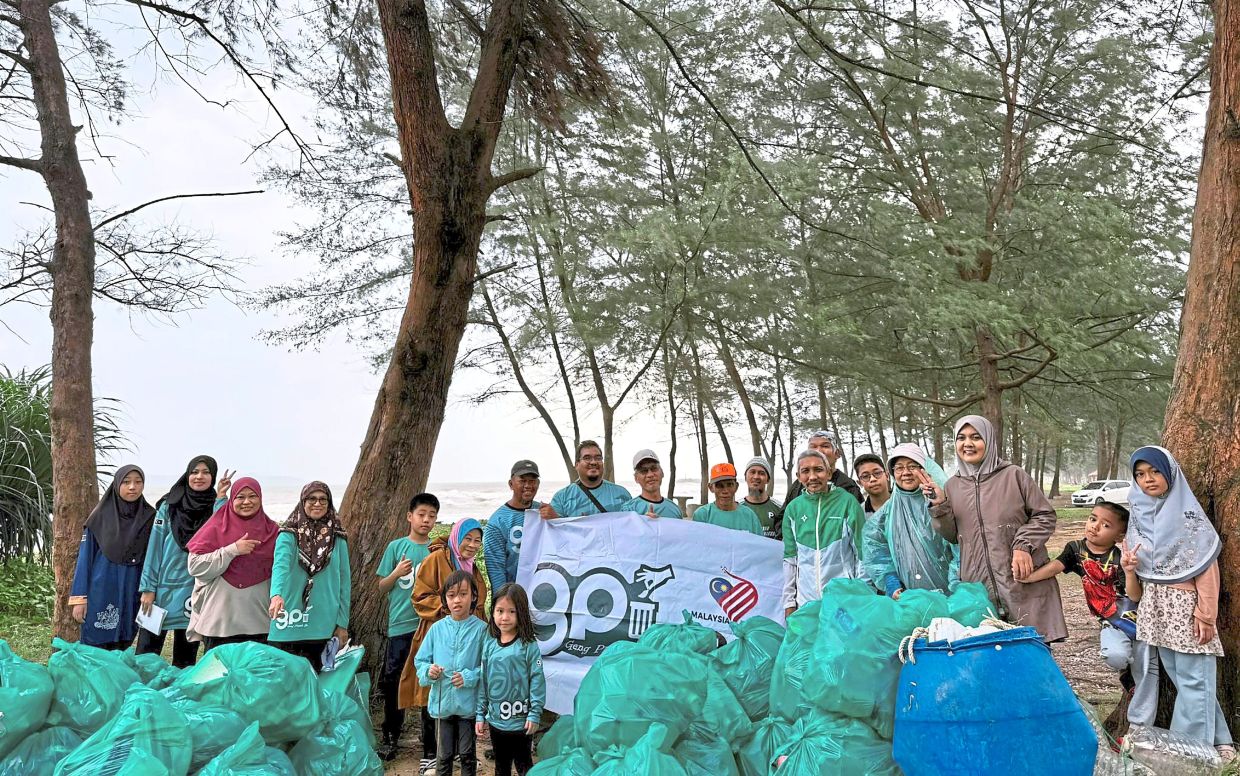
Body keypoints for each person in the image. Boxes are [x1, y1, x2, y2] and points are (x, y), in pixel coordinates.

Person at [1124, 446, 1234, 760]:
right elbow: (1135, 592)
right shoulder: (1139, 518)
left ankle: (1190, 751)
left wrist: (1206, 613)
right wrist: (1130, 568)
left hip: (1187, 609)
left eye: (1155, 471)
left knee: (1195, 678)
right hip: (1156, 610)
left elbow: (1206, 567)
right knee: (1186, 681)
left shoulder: (1188, 517)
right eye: (1140, 474)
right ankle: (1220, 741)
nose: (1148, 480)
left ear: (1170, 473)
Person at [925, 415, 1067, 641]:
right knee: (991, 653)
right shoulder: (953, 485)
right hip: (979, 584)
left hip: (1021, 579)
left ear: (989, 441)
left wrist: (1023, 544)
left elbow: (1045, 515)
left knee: (1032, 650)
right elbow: (953, 536)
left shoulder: (1013, 475)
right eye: (961, 438)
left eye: (975, 437)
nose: (967, 443)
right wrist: (940, 505)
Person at [399, 517, 489, 773]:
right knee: (434, 697)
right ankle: (431, 754)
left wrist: (469, 616)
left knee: (459, 703)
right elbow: (419, 596)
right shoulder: (436, 559)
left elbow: (479, 599)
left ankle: (461, 756)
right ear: (456, 537)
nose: (471, 545)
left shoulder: (472, 568)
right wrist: (448, 611)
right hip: (437, 628)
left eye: (477, 541)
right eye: (467, 539)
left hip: (468, 631)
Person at [1019, 501, 1140, 691]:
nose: (1095, 526)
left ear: (1120, 535)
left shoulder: (1119, 558)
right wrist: (1029, 578)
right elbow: (1056, 566)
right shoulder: (1076, 549)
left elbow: (1135, 595)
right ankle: (1125, 672)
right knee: (1116, 656)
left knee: (1148, 666)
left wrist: (1130, 571)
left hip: (1136, 620)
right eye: (1093, 519)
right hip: (1111, 622)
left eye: (1106, 525)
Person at [137, 456, 230, 667]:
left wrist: (222, 496)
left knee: (185, 658)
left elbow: (223, 529)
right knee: (144, 655)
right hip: (161, 590)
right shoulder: (169, 506)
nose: (199, 476)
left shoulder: (214, 507)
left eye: (206, 472)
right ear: (187, 475)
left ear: (213, 477)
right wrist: (148, 587)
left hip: (194, 592)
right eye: (194, 472)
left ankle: (179, 698)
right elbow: (154, 548)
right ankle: (140, 696)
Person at [376, 493, 438, 761]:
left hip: (429, 628)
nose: (426, 520)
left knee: (428, 681)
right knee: (393, 683)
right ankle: (391, 735)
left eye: (432, 516)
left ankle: (430, 739)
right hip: (400, 626)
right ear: (409, 516)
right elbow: (381, 586)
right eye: (421, 514)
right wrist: (395, 573)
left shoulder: (437, 550)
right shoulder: (396, 547)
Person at [69, 464, 158, 649]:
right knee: (96, 642)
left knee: (124, 640)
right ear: (117, 485)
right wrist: (80, 598)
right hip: (101, 588)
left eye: (138, 482)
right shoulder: (99, 517)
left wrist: (151, 589)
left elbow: (155, 556)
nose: (132, 487)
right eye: (126, 482)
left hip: (133, 589)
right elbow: (85, 560)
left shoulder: (150, 517)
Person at [186, 477, 279, 650]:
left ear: (260, 498)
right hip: (219, 623)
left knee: (255, 674)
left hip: (260, 623)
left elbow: (282, 571)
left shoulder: (273, 531)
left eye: (252, 496)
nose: (247, 502)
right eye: (240, 497)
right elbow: (195, 566)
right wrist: (231, 550)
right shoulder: (216, 526)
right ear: (232, 499)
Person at [267, 481, 351, 669]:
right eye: (311, 499)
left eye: (323, 499)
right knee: (282, 683)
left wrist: (342, 623)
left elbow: (345, 582)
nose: (317, 503)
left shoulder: (338, 538)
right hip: (289, 619)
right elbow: (280, 567)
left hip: (323, 622)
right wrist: (276, 595)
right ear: (302, 502)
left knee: (315, 684)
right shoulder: (288, 534)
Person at [862, 444, 958, 598]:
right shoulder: (884, 516)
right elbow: (877, 553)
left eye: (912, 466)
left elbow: (960, 546)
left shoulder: (942, 504)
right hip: (907, 600)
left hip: (949, 596)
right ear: (892, 473)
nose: (905, 473)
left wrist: (956, 584)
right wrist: (891, 582)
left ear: (924, 470)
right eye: (899, 468)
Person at [416, 569, 488, 776]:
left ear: (473, 596)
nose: (457, 600)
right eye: (451, 595)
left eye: (463, 594)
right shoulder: (437, 629)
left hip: (468, 704)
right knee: (444, 754)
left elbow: (489, 666)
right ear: (445, 599)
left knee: (467, 753)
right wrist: (429, 671)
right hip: (443, 703)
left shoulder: (482, 630)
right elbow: (420, 661)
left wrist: (469, 677)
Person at [782, 450, 867, 616]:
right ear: (798, 476)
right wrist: (789, 603)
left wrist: (860, 595)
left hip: (843, 601)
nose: (812, 477)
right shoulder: (793, 509)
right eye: (806, 471)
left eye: (818, 470)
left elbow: (863, 555)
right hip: (807, 601)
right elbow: (790, 560)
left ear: (829, 473)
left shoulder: (847, 502)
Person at [475, 583, 546, 776]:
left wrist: (534, 714)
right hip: (497, 722)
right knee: (501, 766)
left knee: (524, 766)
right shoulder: (489, 643)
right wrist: (480, 714)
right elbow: (484, 681)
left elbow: (537, 681)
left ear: (520, 613)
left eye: (511, 611)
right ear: (493, 612)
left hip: (521, 723)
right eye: (499, 611)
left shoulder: (528, 645)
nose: (504, 617)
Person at [483, 461, 542, 595]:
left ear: (538, 484)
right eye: (522, 481)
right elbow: (496, 568)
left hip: (543, 593)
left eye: (532, 481)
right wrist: (503, 602)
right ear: (511, 484)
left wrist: (555, 519)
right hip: (514, 596)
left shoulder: (544, 512)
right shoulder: (497, 521)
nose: (528, 485)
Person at [539, 440, 631, 519]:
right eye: (587, 458)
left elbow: (632, 527)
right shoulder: (562, 498)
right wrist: (555, 519)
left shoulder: (622, 495)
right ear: (577, 464)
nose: (594, 462)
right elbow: (555, 533)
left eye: (598, 458)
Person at [783, 430, 864, 505]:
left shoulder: (848, 487)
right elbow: (783, 517)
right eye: (813, 447)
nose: (818, 451)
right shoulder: (798, 486)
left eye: (825, 446)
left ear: (837, 454)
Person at [693, 463, 763, 535]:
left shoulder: (749, 515)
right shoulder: (702, 515)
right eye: (719, 486)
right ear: (711, 488)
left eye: (729, 485)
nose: (725, 491)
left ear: (736, 486)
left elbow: (760, 544)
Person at [619, 449, 683, 519]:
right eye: (644, 471)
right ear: (636, 478)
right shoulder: (628, 509)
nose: (650, 475)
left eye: (654, 468)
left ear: (662, 473)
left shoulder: (675, 509)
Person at [741, 456, 782, 538]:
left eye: (761, 473)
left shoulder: (780, 509)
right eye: (752, 472)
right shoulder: (736, 507)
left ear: (768, 479)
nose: (756, 477)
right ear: (745, 477)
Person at [853, 453, 891, 518]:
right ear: (860, 483)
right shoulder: (857, 515)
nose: (873, 479)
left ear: (887, 476)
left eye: (877, 473)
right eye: (865, 476)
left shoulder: (904, 503)